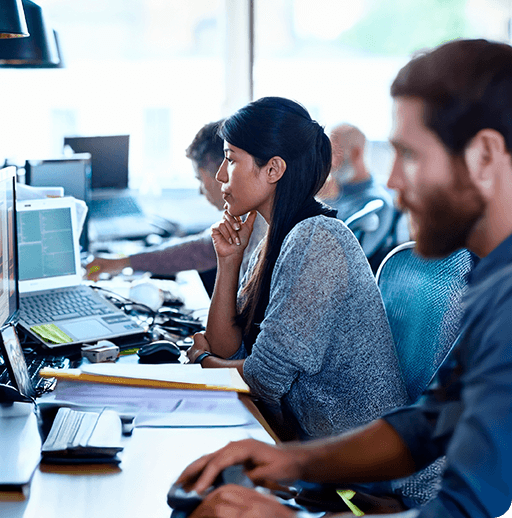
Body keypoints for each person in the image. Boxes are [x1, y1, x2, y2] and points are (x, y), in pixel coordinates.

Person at [177, 39, 512, 518]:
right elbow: (426, 424)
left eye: (409, 156)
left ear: (482, 157)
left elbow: (469, 508)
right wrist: (287, 461)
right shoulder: (494, 285)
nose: (392, 182)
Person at [186, 96, 406, 442]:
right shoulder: (278, 235)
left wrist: (203, 362)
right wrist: (228, 261)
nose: (219, 175)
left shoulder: (316, 239)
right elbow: (227, 349)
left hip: (358, 468)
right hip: (315, 444)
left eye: (230, 159)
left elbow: (262, 378)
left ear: (273, 170)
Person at [86, 121, 265, 283]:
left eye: (199, 179)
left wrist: (123, 262)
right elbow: (203, 249)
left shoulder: (257, 222)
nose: (201, 190)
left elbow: (201, 252)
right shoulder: (245, 218)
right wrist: (124, 262)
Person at [318, 123, 400, 269]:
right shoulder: (328, 194)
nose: (330, 162)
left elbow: (351, 259)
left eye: (335, 153)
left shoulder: (377, 203)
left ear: (356, 153)